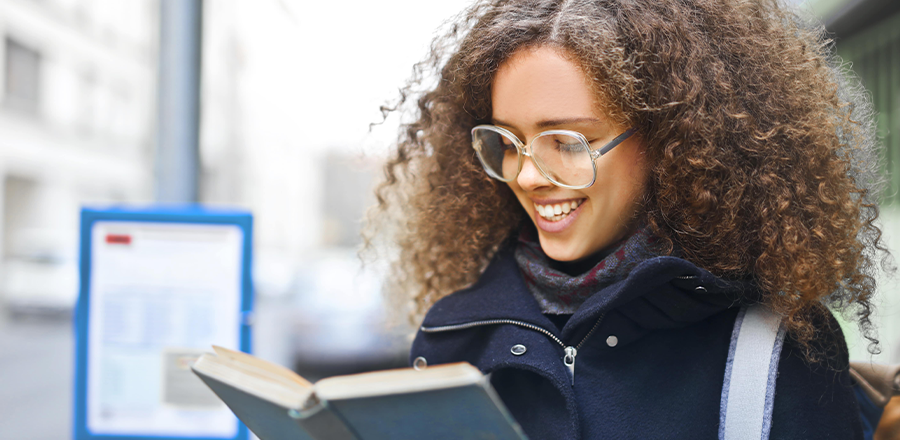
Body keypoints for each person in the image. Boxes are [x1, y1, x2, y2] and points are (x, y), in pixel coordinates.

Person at [370, 0, 889, 438]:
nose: (527, 177)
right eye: (507, 142)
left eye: (567, 142)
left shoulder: (774, 348)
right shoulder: (450, 338)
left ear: (671, 141)